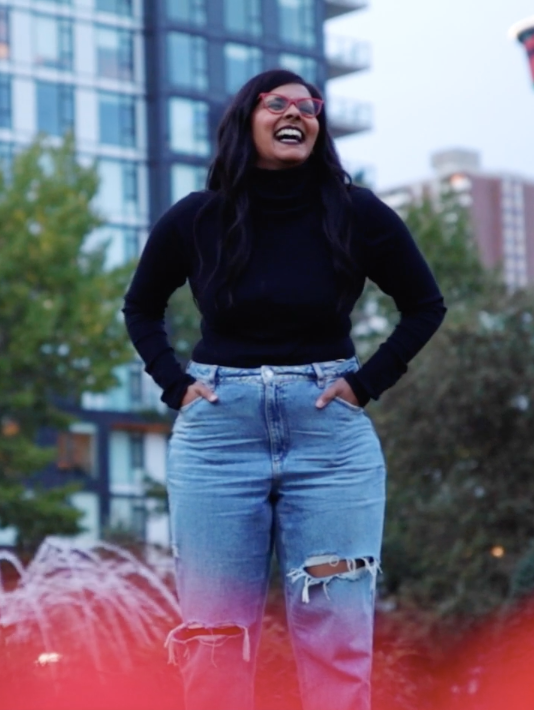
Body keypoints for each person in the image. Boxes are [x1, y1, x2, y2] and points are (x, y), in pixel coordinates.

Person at [122, 69, 446, 710]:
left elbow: (424, 303)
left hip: (329, 442)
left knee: (337, 639)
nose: (297, 113)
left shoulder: (355, 213)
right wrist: (176, 386)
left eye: (310, 106)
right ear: (248, 118)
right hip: (218, 438)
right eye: (279, 103)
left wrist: (365, 384)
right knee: (214, 642)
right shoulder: (197, 217)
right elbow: (140, 307)